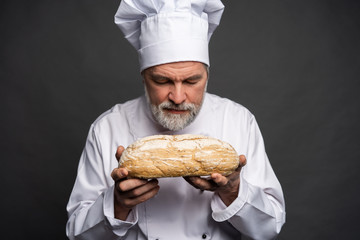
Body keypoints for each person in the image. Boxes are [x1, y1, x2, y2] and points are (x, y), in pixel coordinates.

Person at [66, 0, 286, 239]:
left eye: (192, 81)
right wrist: (117, 205)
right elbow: (77, 234)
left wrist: (234, 191)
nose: (178, 97)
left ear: (207, 76)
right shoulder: (107, 128)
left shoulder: (238, 121)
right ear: (143, 77)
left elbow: (271, 226)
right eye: (162, 81)